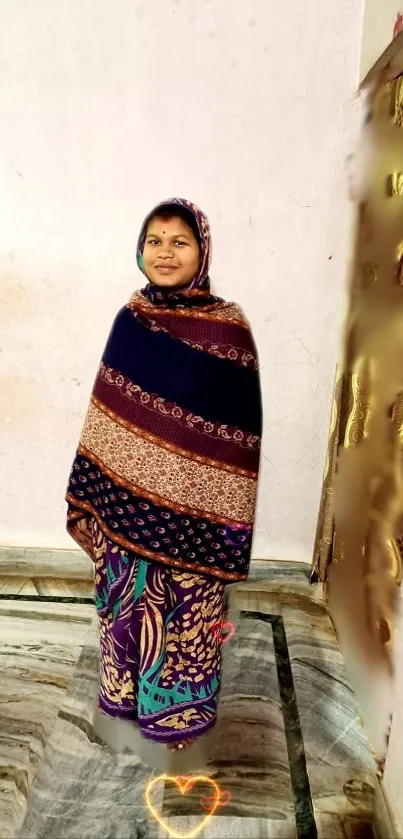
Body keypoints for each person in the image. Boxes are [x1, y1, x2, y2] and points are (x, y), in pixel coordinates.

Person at [66, 198, 262, 751]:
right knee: (129, 607)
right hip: (129, 508)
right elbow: (109, 416)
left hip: (196, 516)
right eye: (155, 241)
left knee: (187, 616)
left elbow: (238, 435)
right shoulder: (130, 320)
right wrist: (102, 490)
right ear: (140, 250)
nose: (165, 252)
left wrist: (213, 501)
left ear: (202, 251)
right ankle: (125, 699)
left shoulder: (229, 330)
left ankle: (178, 717)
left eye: (179, 241)